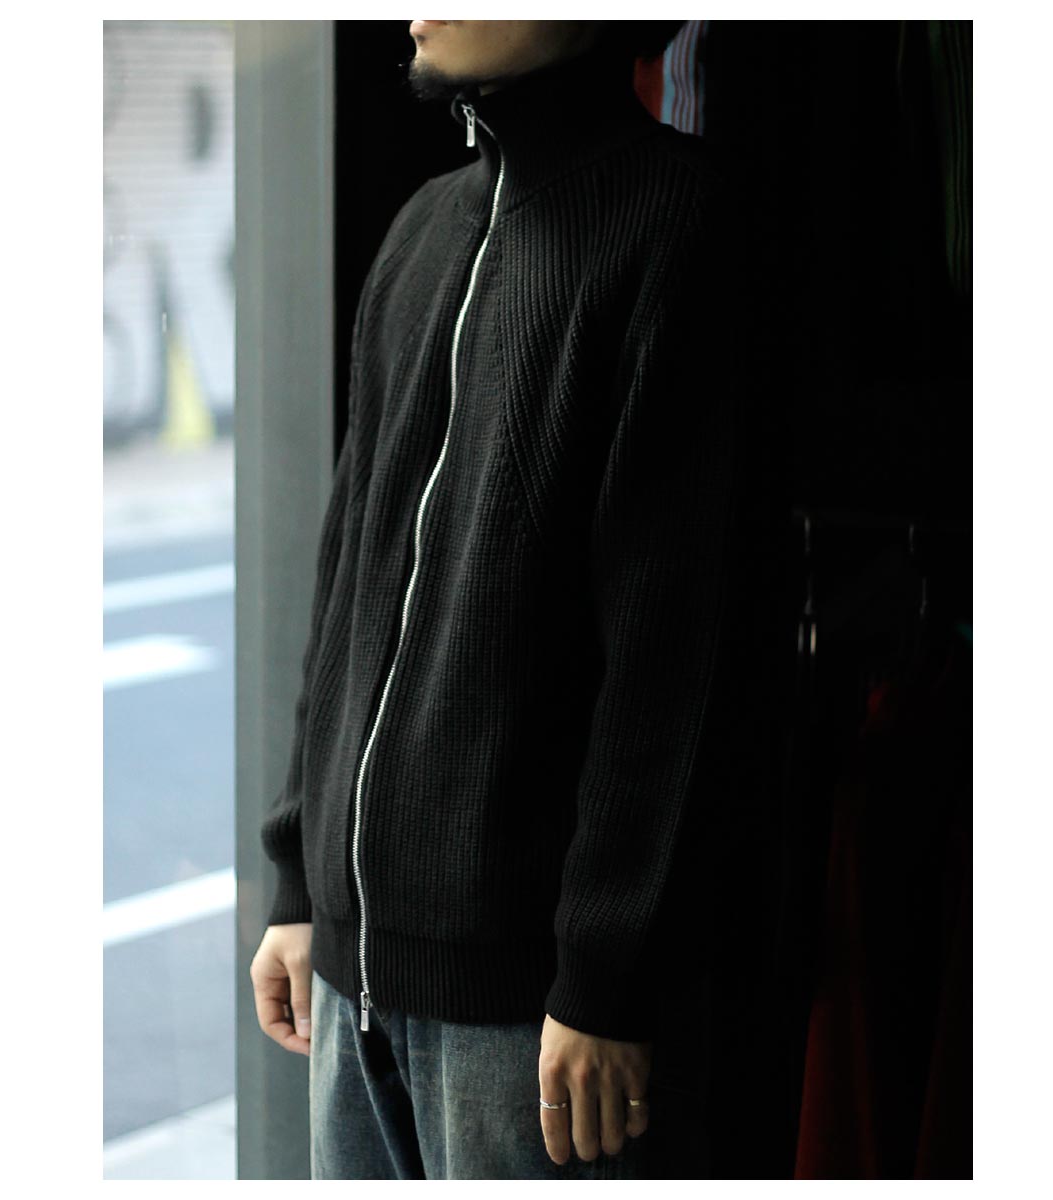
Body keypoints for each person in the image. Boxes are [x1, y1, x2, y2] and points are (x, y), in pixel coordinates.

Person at [249, 19, 751, 1180]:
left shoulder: (679, 224)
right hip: (351, 984)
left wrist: (607, 974)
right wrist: (299, 879)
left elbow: (677, 652)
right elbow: (349, 588)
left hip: (536, 1020)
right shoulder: (422, 229)